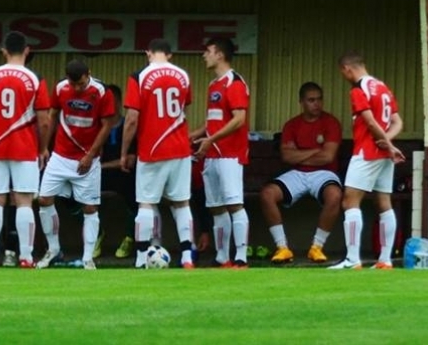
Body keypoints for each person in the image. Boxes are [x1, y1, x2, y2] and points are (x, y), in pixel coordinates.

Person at [0, 31, 51, 268]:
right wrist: (42, 148)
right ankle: (26, 257)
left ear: (3, 51)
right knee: (24, 201)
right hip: (25, 148)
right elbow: (44, 120)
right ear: (27, 50)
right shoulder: (35, 78)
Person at [121, 38, 196, 269]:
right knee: (182, 203)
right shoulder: (183, 75)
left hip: (152, 149)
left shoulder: (139, 76)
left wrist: (124, 151)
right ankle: (186, 257)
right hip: (181, 149)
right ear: (170, 54)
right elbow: (183, 107)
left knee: (146, 203)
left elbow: (132, 119)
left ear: (148, 52)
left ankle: (141, 258)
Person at [35, 59, 115, 270]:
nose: (77, 88)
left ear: (89, 74)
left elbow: (107, 126)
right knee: (44, 199)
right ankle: (53, 250)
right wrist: (45, 146)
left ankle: (88, 258)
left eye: (80, 84)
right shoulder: (61, 88)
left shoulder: (101, 92)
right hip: (60, 155)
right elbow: (52, 116)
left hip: (88, 158)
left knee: (89, 207)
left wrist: (90, 155)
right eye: (74, 85)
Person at [329, 52, 405, 270]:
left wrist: (386, 144)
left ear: (347, 69)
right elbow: (398, 122)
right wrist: (388, 143)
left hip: (367, 151)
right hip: (383, 154)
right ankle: (385, 259)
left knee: (350, 201)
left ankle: (352, 260)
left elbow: (370, 122)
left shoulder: (358, 90)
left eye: (342, 73)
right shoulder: (382, 87)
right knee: (383, 203)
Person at [261, 82, 343, 264]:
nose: (317, 104)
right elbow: (287, 157)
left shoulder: (331, 122)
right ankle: (282, 248)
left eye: (319, 99)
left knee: (335, 195)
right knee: (267, 194)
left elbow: (328, 157)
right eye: (311, 100)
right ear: (301, 102)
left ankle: (316, 248)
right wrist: (316, 150)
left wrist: (300, 154)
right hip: (297, 173)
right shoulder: (292, 125)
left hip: (324, 173)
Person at [191, 37, 250, 268]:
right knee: (215, 206)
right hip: (211, 154)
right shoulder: (213, 85)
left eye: (208, 51)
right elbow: (214, 122)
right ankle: (222, 257)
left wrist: (211, 139)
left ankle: (241, 258)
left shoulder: (234, 82)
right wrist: (195, 135)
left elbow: (239, 119)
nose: (204, 55)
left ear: (220, 55)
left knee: (234, 203)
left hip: (230, 154)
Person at [98, 84, 139, 259]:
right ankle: (97, 234)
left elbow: (130, 160)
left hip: (124, 175)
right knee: (77, 194)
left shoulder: (129, 127)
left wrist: (104, 165)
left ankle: (130, 237)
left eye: (113, 101)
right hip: (100, 175)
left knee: (137, 195)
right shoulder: (97, 128)